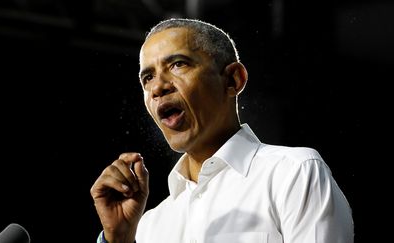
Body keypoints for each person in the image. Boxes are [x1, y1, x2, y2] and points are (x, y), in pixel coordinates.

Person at [90, 18, 354, 243]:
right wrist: (118, 240)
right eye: (147, 77)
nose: (158, 87)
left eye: (178, 64)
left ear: (232, 80)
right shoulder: (149, 227)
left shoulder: (293, 174)